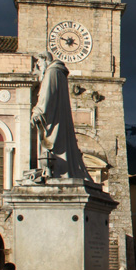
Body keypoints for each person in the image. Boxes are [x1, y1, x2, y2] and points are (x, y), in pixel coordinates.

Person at [30, 51, 89, 180]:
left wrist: (37, 112)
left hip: (53, 119)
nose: (38, 68)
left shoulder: (51, 72)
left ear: (45, 60)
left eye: (39, 64)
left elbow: (46, 96)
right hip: (59, 118)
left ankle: (54, 171)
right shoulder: (59, 73)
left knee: (53, 147)